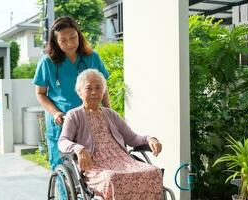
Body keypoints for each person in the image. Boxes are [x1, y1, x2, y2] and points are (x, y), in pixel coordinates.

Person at [58, 69, 163, 200]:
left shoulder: (111, 114)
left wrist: (150, 139)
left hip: (122, 161)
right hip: (94, 165)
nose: (94, 92)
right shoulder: (74, 115)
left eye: (98, 88)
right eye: (88, 88)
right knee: (112, 178)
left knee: (153, 172)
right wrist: (79, 149)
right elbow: (63, 141)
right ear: (79, 92)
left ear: (103, 91)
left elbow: (133, 138)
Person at [33, 16, 110, 170]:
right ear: (55, 42)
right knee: (63, 168)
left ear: (79, 35)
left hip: (88, 120)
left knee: (91, 166)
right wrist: (55, 113)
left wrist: (108, 113)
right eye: (63, 40)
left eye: (73, 37)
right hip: (61, 122)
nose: (70, 43)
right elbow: (40, 93)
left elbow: (103, 87)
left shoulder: (91, 57)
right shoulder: (47, 62)